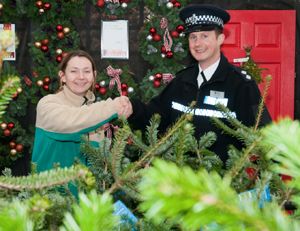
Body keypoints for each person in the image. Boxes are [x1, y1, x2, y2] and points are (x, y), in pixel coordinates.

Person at [128, 4, 271, 163]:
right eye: (193, 37)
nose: (197, 43)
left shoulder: (241, 84)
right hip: (181, 180)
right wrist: (132, 108)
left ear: (220, 39)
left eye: (205, 36)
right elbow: (155, 119)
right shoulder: (181, 81)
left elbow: (262, 136)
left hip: (223, 184)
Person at [32, 50, 132, 173]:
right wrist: (113, 107)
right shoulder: (47, 104)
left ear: (94, 75)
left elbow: (95, 162)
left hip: (85, 191)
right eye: (74, 71)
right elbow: (71, 121)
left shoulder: (96, 114)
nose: (81, 77)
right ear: (62, 76)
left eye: (87, 71)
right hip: (50, 189)